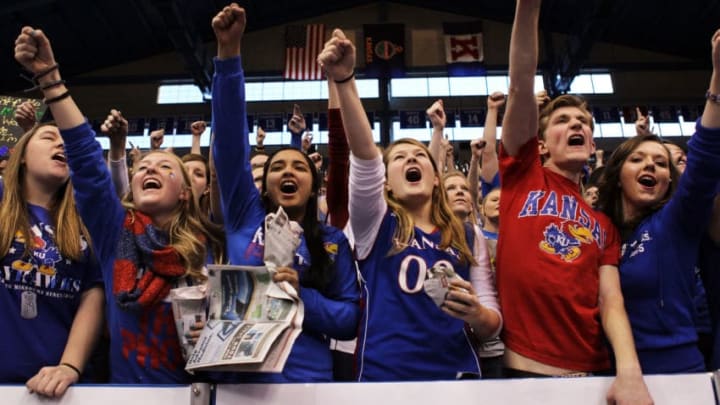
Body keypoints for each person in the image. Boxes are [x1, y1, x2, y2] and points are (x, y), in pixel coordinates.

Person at [14, 25, 225, 383]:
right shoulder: (116, 234)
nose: (149, 169)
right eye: (143, 166)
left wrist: (215, 338)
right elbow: (89, 167)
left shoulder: (213, 250)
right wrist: (51, 80)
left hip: (195, 394)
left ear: (186, 193)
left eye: (164, 167)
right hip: (125, 395)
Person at [318, 28, 501, 381]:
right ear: (386, 182)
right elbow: (365, 157)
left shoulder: (468, 234)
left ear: (436, 177)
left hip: (458, 376)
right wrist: (344, 81)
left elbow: (492, 322)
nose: (410, 159)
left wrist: (476, 313)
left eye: (419, 156)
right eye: (399, 157)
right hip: (384, 376)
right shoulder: (375, 223)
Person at [496, 1, 651, 403]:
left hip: (594, 375)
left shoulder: (603, 225)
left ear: (593, 143)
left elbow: (611, 301)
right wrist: (528, 9)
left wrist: (629, 372)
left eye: (583, 122)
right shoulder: (522, 174)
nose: (577, 124)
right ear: (542, 143)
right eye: (563, 121)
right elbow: (520, 80)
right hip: (524, 371)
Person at [210, 3, 360, 382]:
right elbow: (229, 144)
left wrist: (301, 294)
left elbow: (349, 320)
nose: (288, 172)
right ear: (265, 182)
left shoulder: (330, 240)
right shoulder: (246, 215)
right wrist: (229, 56)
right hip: (239, 379)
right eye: (277, 166)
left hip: (306, 381)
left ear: (314, 187)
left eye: (299, 167)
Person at [597, 31, 720, 371]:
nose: (651, 164)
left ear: (669, 182)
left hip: (677, 371)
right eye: (638, 159)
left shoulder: (674, 222)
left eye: (661, 163)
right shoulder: (597, 230)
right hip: (606, 374)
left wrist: (717, 78)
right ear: (618, 173)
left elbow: (704, 160)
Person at [0, 121, 104, 395]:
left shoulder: (84, 221)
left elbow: (92, 295)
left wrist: (69, 366)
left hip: (60, 387)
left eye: (67, 143)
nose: (62, 145)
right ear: (21, 156)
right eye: (48, 137)